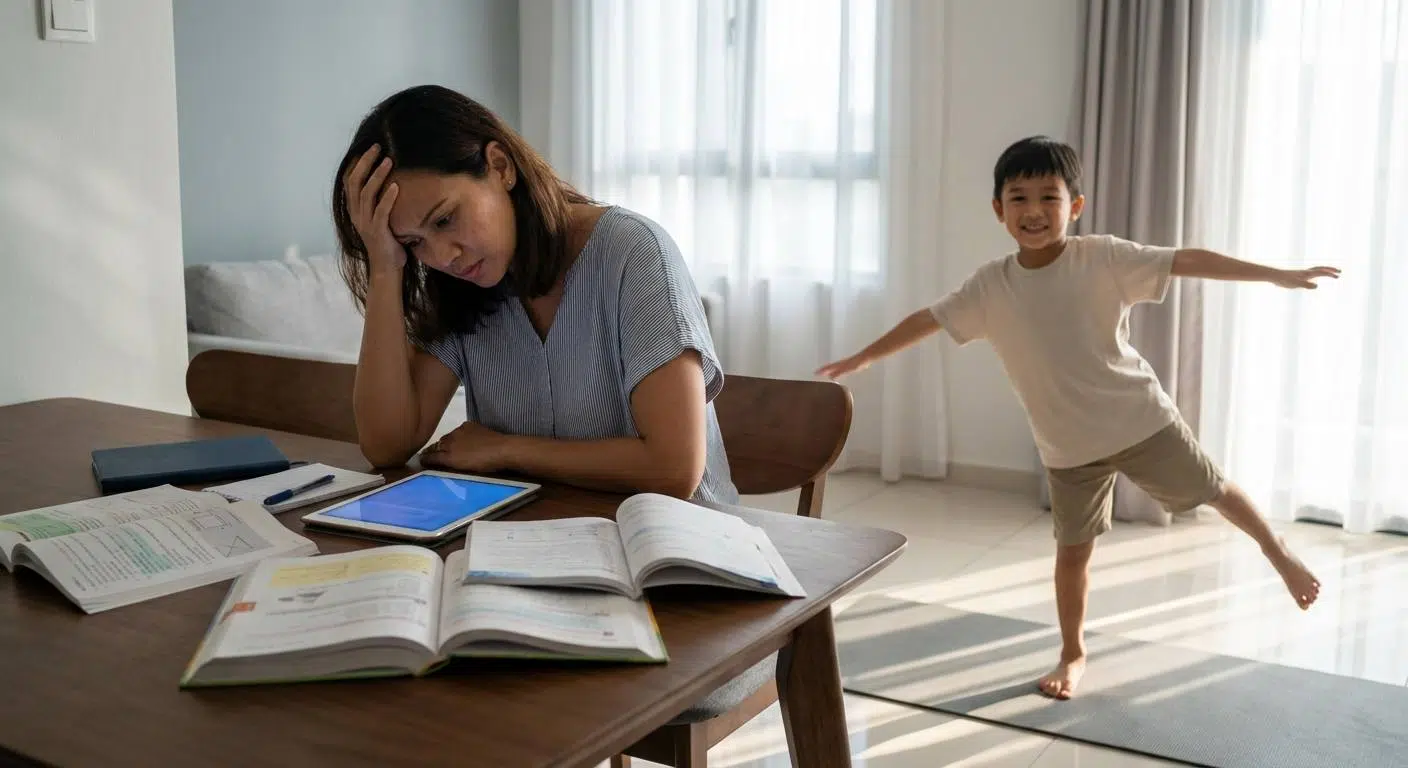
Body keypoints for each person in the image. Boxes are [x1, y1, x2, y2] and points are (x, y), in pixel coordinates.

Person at [816, 135, 1338, 700]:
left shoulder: (1103, 257)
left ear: (1076, 206)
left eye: (1049, 197)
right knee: (1072, 556)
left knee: (1214, 489)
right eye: (1018, 198)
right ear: (998, 210)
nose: (1034, 211)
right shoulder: (992, 285)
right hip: (1067, 447)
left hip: (1139, 421)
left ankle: (1277, 551)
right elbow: (931, 319)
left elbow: (1184, 259)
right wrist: (865, 355)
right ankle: (1073, 652)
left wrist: (1275, 274)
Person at [331, 84, 737, 505]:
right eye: (414, 242)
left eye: (446, 219)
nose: (441, 256)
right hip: (537, 542)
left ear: (500, 166)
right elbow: (386, 446)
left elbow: (674, 469)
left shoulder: (633, 252)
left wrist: (505, 448)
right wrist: (384, 268)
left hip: (673, 549)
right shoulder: (457, 285)